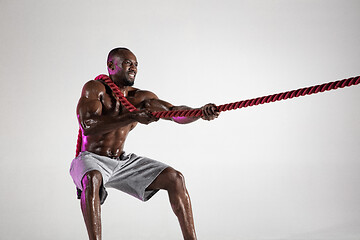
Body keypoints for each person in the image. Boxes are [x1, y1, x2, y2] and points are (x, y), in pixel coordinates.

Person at [70, 47, 219, 240]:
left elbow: (174, 113)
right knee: (92, 178)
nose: (133, 68)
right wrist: (132, 116)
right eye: (127, 63)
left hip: (121, 161)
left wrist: (198, 113)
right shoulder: (95, 89)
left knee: (175, 178)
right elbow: (88, 126)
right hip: (90, 159)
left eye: (136, 64)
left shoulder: (139, 98)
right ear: (111, 65)